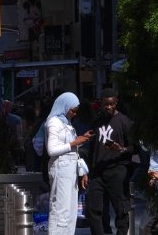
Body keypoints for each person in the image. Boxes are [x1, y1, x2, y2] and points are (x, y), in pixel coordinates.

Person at [43, 93, 93, 235]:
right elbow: (52, 150)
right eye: (73, 110)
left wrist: (79, 139)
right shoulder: (54, 122)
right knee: (61, 210)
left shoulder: (66, 122)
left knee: (71, 211)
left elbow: (69, 146)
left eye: (77, 110)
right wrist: (75, 142)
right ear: (64, 106)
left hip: (70, 170)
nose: (75, 113)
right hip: (61, 169)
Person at [85, 95, 134, 235]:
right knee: (93, 209)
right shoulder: (96, 122)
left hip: (117, 169)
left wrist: (122, 149)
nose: (109, 107)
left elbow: (134, 148)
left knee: (121, 209)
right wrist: (88, 171)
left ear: (116, 103)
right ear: (101, 104)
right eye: (106, 104)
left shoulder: (124, 121)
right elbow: (91, 149)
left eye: (111, 104)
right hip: (98, 172)